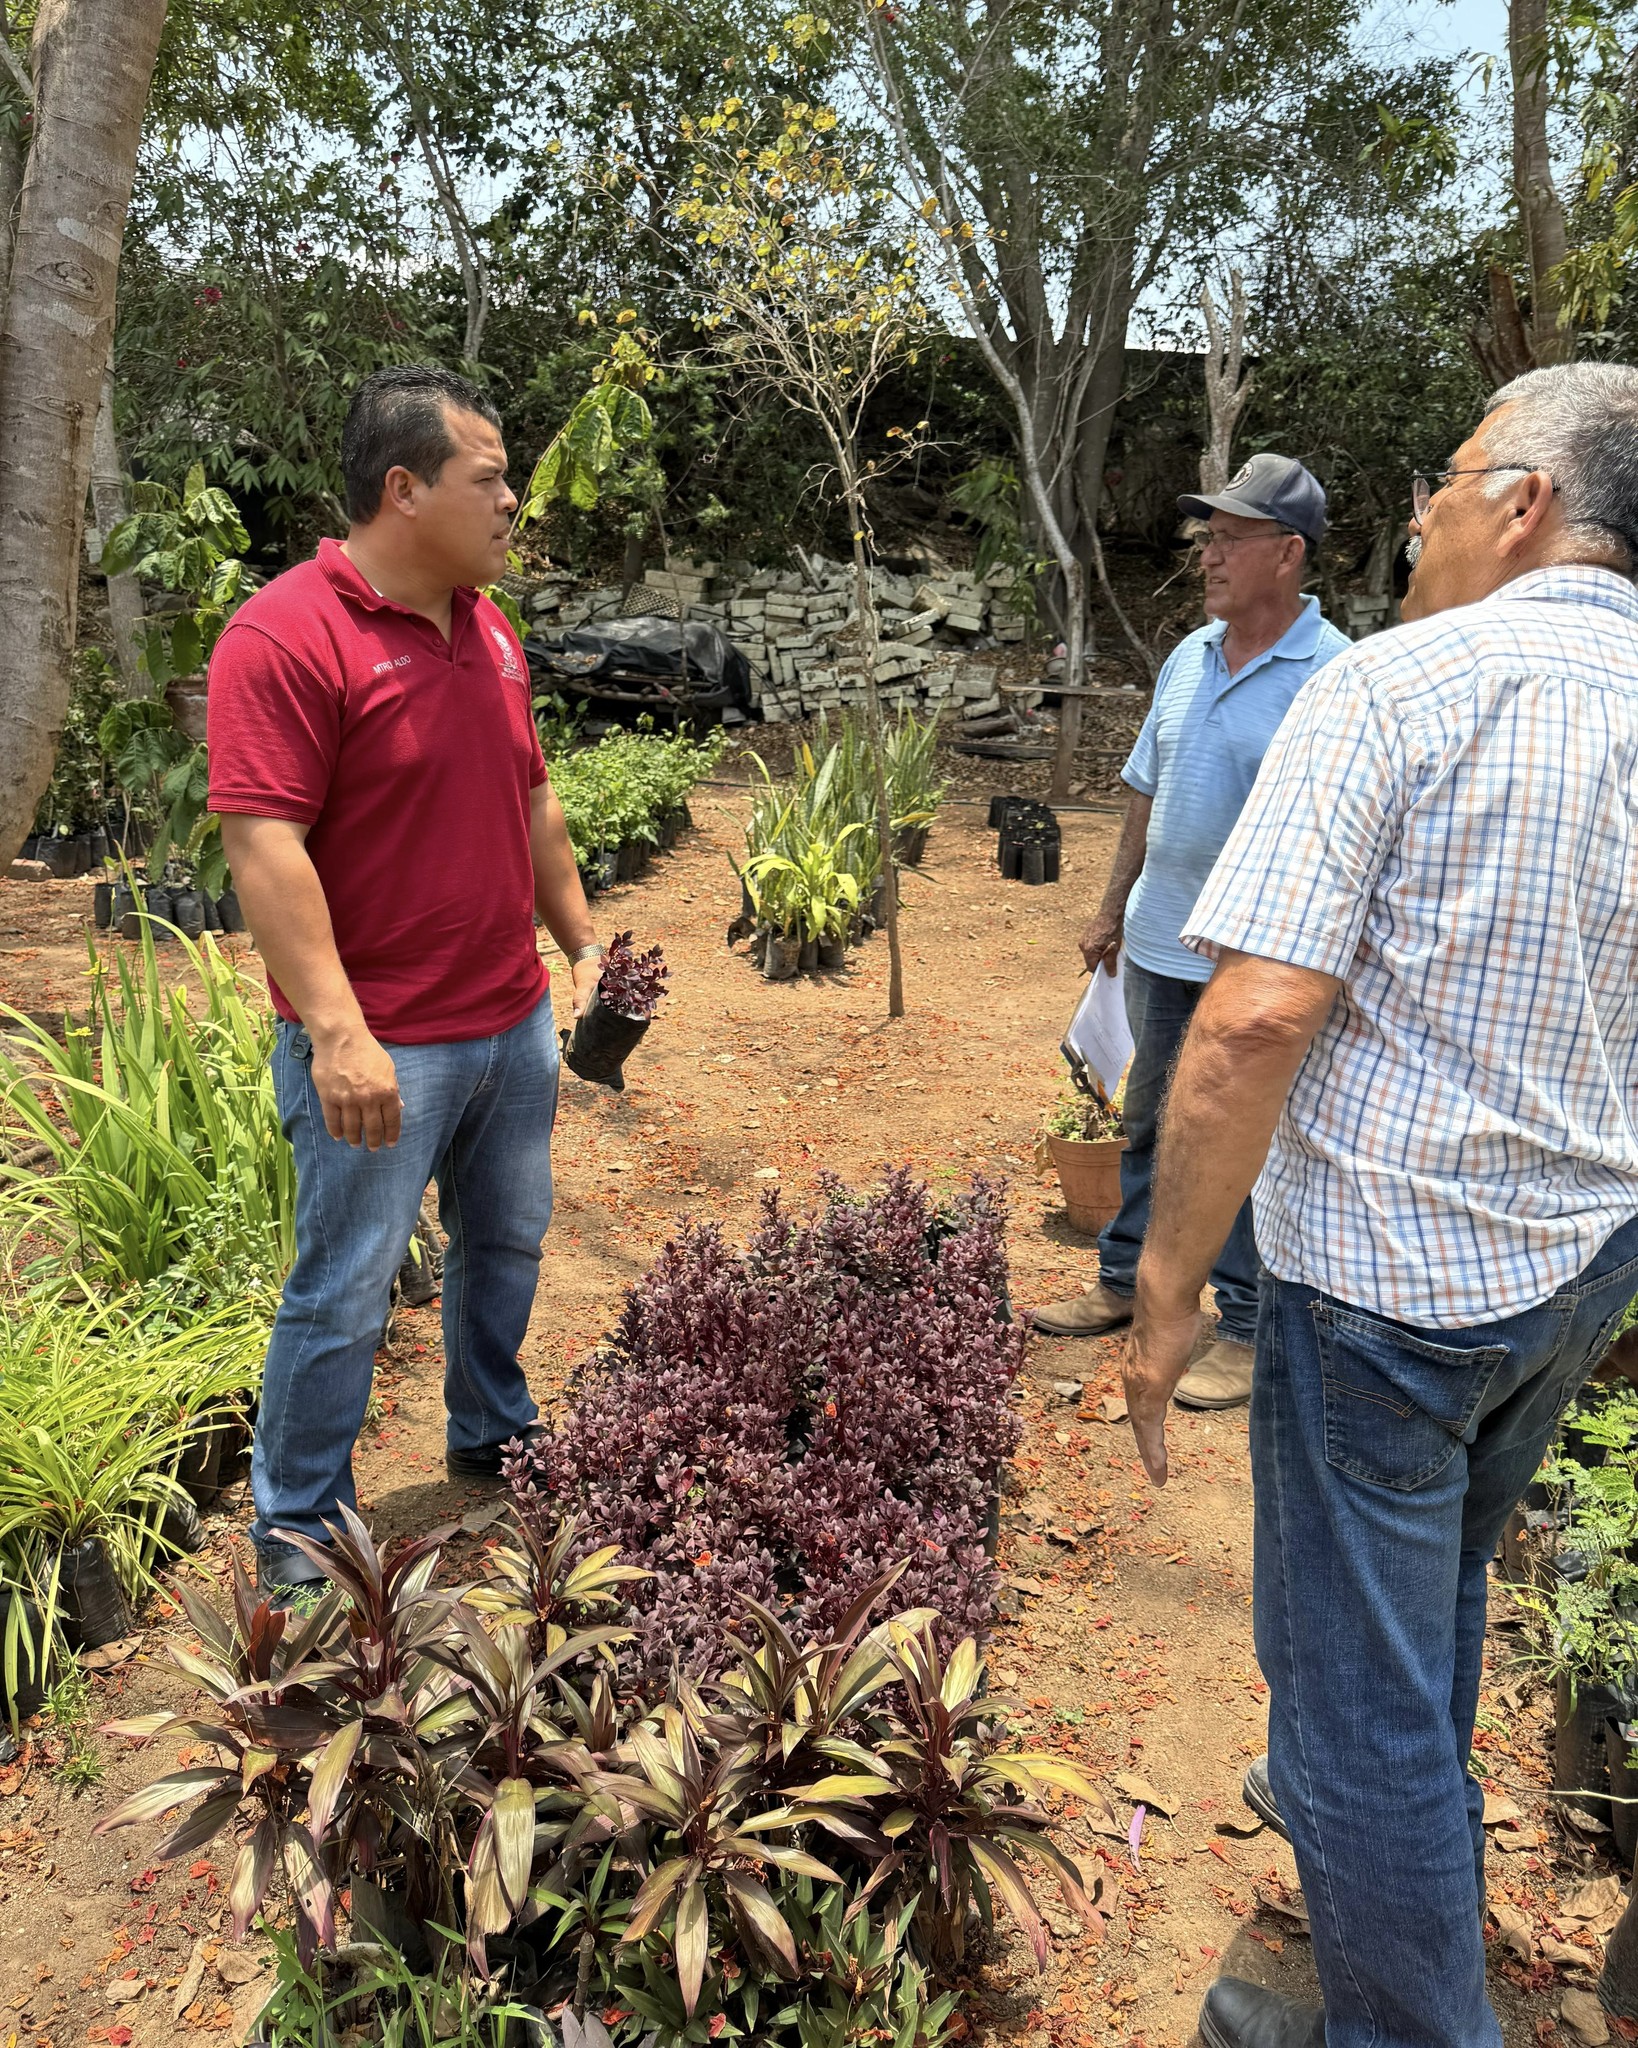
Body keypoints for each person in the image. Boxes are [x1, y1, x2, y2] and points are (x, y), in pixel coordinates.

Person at [1123, 362, 1638, 2048]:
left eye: (1445, 481)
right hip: (1570, 1271)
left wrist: (1164, 1291)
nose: (1417, 518)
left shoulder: (1399, 685)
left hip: (1388, 1293)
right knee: (1429, 1603)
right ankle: (1400, 1934)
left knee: (1345, 1704)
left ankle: (1410, 2021)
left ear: (1523, 503)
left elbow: (1252, 1019)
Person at [207, 365, 606, 1602]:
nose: (512, 503)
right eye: (489, 479)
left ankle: (491, 1427)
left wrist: (581, 944)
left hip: (509, 1022)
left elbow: (531, 795)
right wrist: (336, 1029)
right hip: (383, 1043)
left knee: (509, 1239)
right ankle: (299, 1531)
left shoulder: (490, 628)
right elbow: (263, 842)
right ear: (404, 488)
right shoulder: (285, 634)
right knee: (346, 1287)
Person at [1033, 454, 1348, 1410]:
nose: (1207, 556)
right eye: (1206, 538)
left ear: (1288, 553)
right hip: (1159, 941)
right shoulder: (1187, 656)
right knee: (1150, 1124)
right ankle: (1126, 1282)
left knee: (1239, 1140)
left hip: (1254, 963)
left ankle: (1246, 1326)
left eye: (1230, 539)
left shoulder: (1336, 676)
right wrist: (1112, 907)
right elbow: (1144, 791)